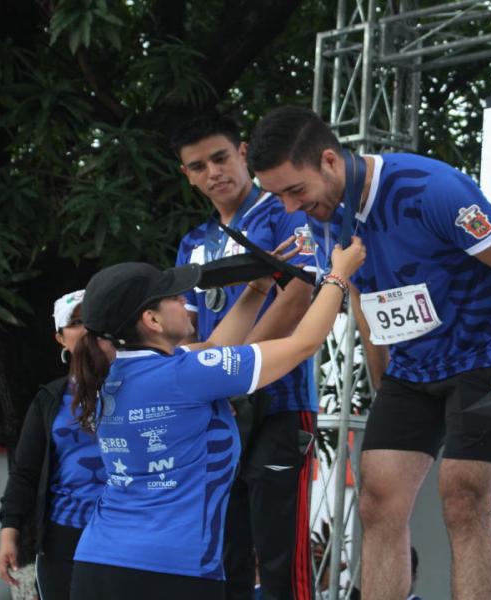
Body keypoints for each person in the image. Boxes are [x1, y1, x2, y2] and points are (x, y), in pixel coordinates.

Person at [248, 106, 491, 600]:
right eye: (277, 196)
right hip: (410, 369)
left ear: (330, 161)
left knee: (464, 497)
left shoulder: (432, 188)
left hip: (482, 355)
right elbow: (362, 296)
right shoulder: (320, 215)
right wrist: (381, 375)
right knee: (378, 502)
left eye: (295, 191)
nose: (290, 208)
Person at [66, 237, 364, 599]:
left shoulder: (108, 377)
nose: (184, 302)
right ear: (152, 320)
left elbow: (212, 349)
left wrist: (257, 287)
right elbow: (303, 343)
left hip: (97, 561)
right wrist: (338, 276)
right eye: (174, 298)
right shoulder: (183, 374)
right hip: (172, 570)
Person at [171, 116, 318, 600]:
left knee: (281, 557)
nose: (213, 172)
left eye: (220, 158)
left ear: (241, 152)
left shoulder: (283, 210)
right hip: (216, 412)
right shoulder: (193, 243)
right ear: (187, 174)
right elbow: (183, 329)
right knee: (222, 552)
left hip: (279, 399)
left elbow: (299, 294)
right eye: (199, 166)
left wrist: (236, 373)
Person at [0, 290, 107, 600]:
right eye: (76, 322)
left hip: (125, 530)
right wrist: (9, 533)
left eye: (94, 320)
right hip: (64, 534)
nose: (87, 329)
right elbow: (25, 471)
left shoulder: (136, 387)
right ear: (60, 337)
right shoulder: (50, 399)